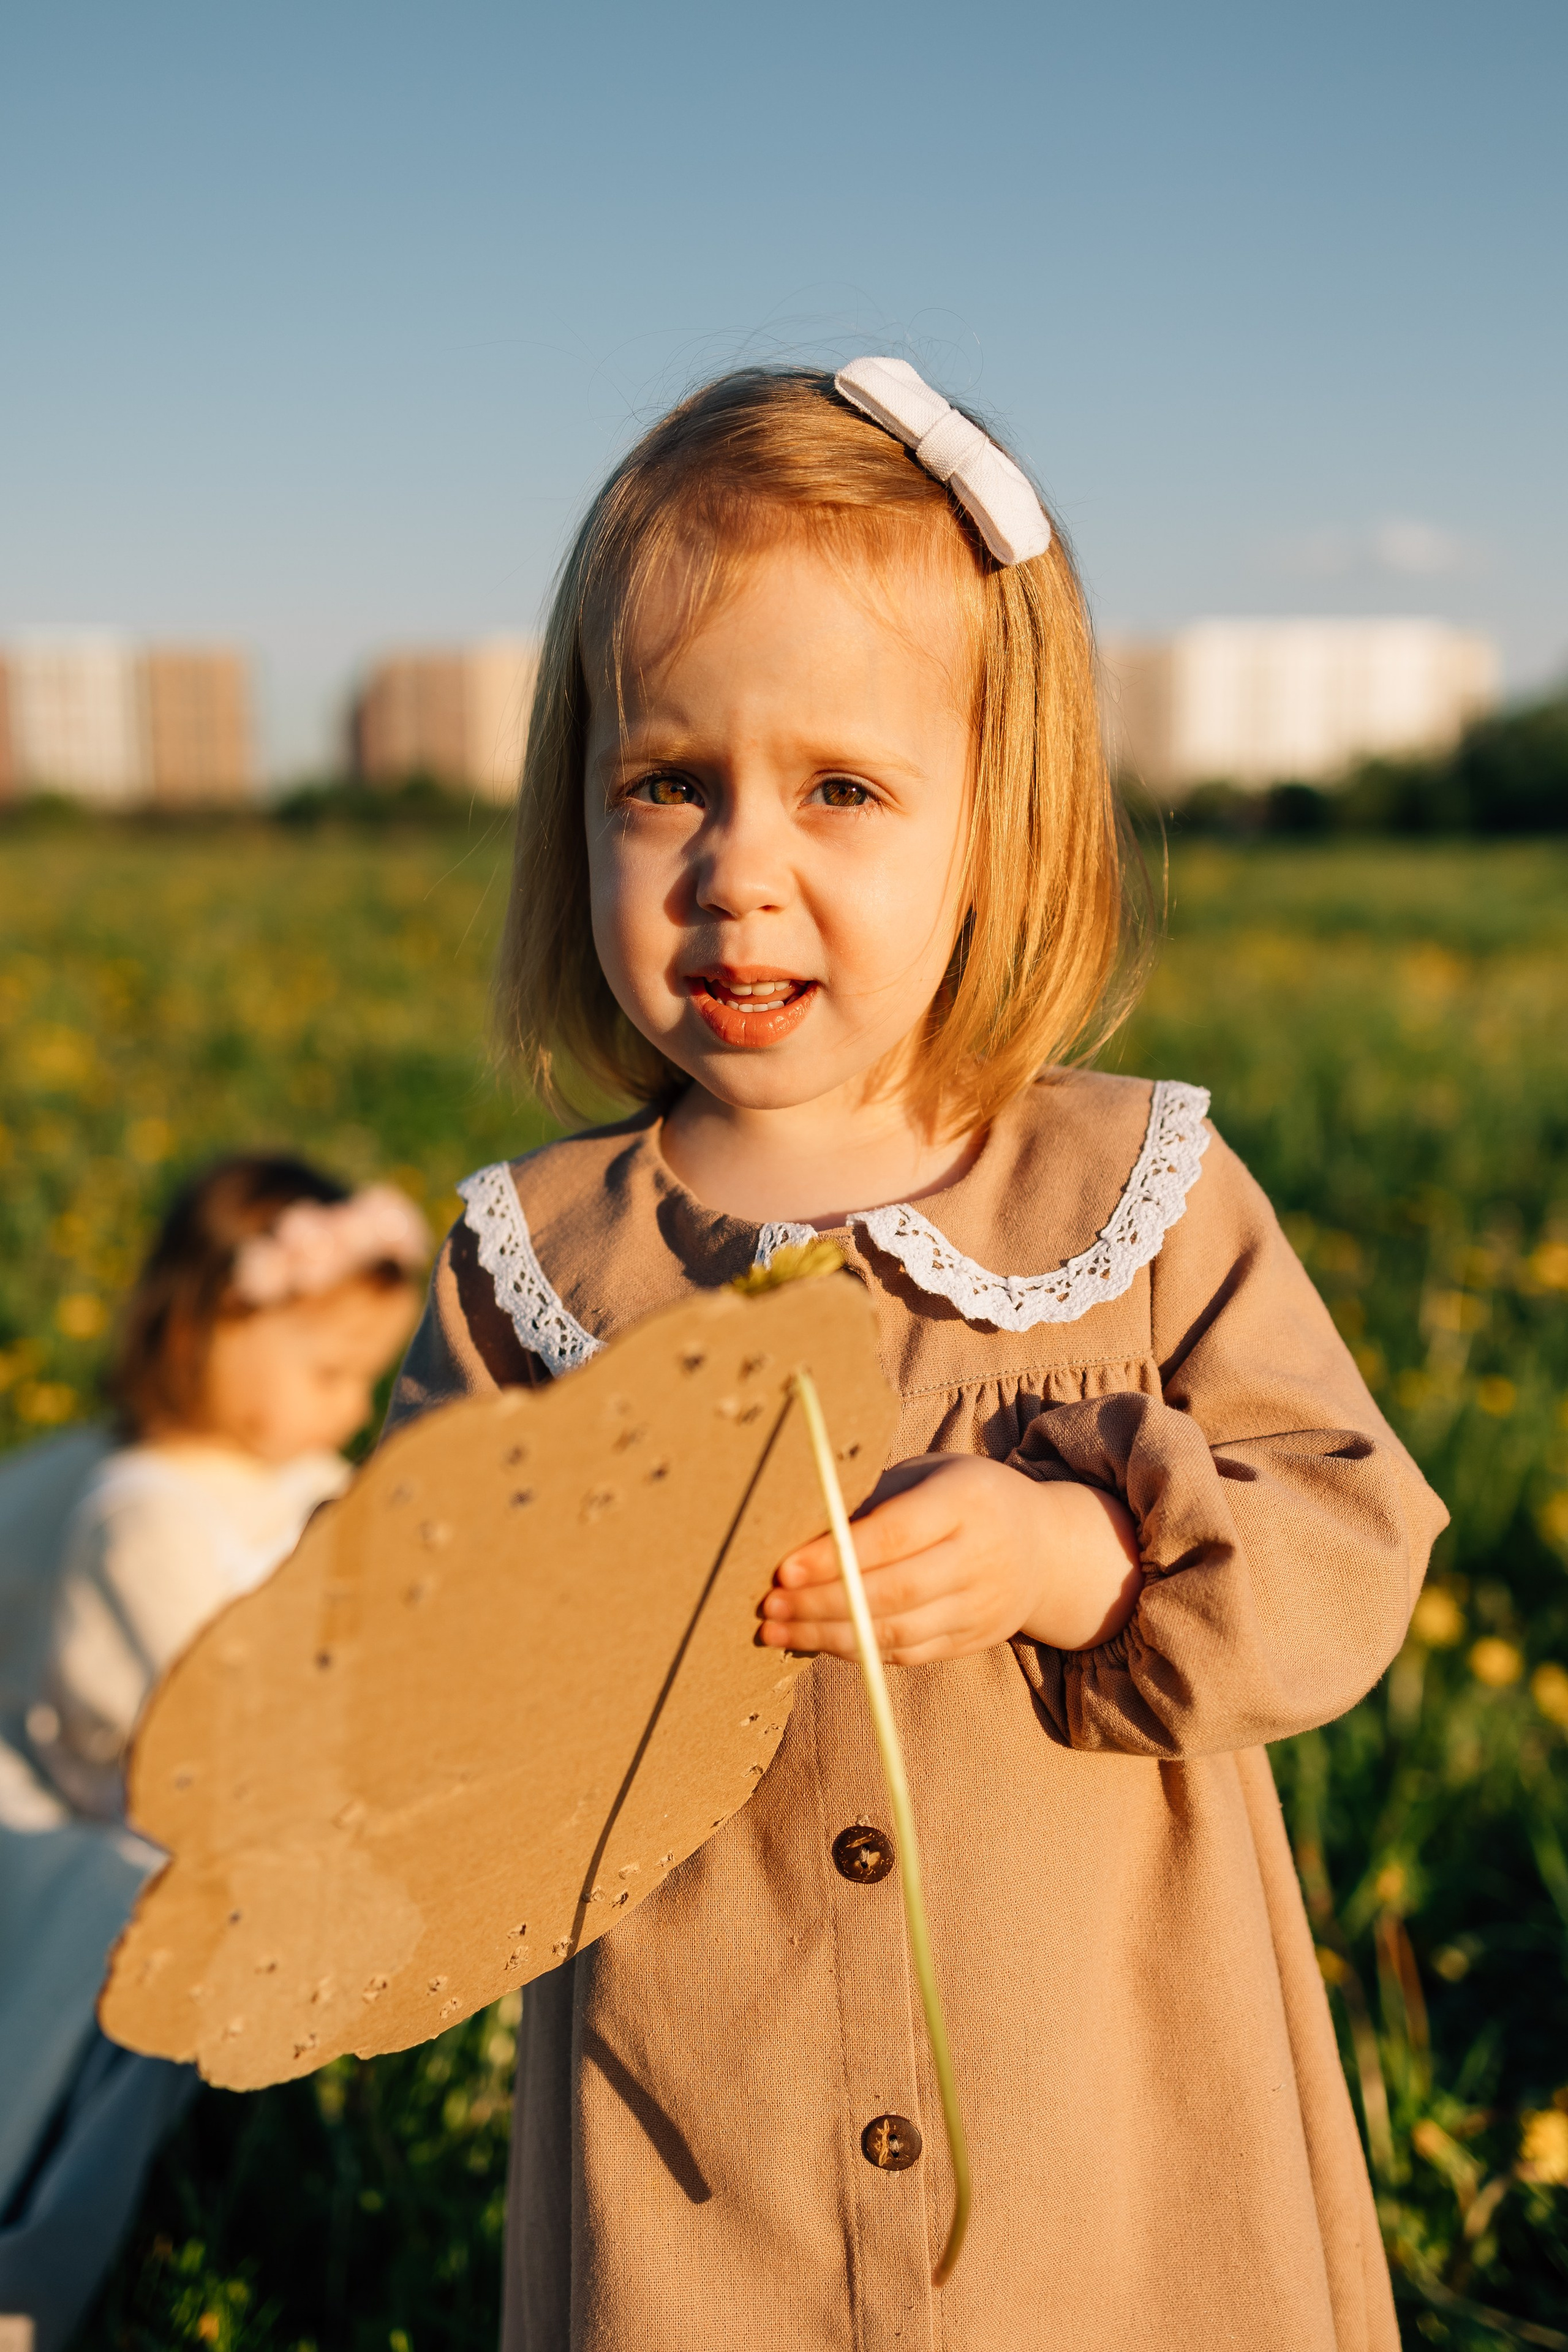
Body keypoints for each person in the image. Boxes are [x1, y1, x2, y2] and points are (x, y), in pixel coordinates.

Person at [388, 360, 1447, 2352]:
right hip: (708, 2171)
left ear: (998, 819)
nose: (737, 866)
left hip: (1112, 2161)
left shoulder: (1134, 1194)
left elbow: (1352, 1537)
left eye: (842, 790)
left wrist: (1084, 1564)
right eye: (668, 782)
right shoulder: (538, 1261)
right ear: (578, 801)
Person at [0, 1155, 425, 2352]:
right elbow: (216, 1732)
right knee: (130, 2053)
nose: (350, 1406)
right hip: (141, 1838)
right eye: (327, 1372)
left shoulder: (298, 1482)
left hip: (263, 1820)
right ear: (203, 1329)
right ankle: (46, 2281)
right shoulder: (142, 1517)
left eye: (365, 1375)